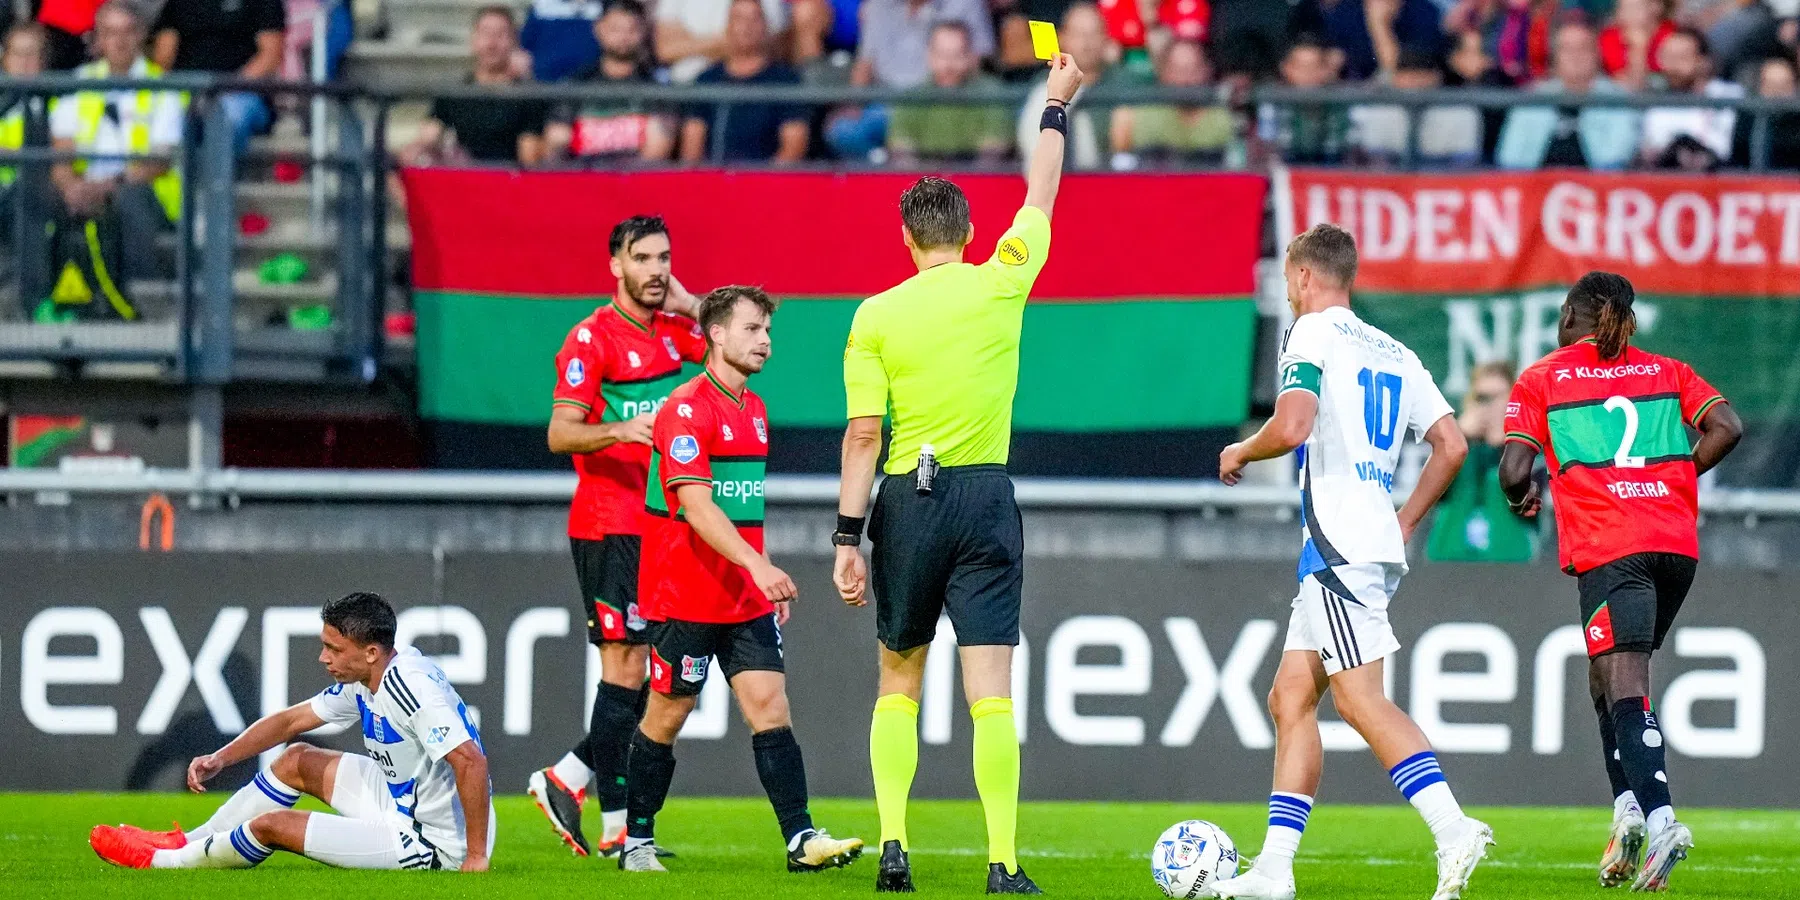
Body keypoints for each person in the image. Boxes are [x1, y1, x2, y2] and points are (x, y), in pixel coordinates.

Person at [832, 49, 1084, 899]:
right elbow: (1042, 189)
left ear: (906, 240)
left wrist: (845, 536)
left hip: (908, 497)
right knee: (991, 693)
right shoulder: (1002, 281)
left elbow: (864, 434)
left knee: (899, 680)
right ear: (970, 235)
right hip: (983, 494)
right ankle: (1003, 861)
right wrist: (1055, 101)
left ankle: (895, 848)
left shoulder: (875, 315)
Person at [1214, 223, 1493, 900]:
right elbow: (1452, 444)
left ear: (1306, 277)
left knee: (1360, 699)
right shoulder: (1395, 350)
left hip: (1340, 544)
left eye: (1287, 279)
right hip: (1361, 539)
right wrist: (1403, 519)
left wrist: (1242, 452)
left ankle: (1453, 827)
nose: (1288, 290)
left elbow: (1293, 426)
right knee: (1289, 697)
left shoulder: (1311, 332)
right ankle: (1274, 872)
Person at [1498, 272, 1742, 893]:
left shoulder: (1544, 377)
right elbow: (1728, 428)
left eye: (1562, 313)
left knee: (1626, 681)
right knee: (1604, 672)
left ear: (1575, 315)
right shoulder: (1669, 371)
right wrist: (1677, 477)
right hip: (1674, 546)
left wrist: (1523, 494)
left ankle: (1660, 820)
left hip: (1612, 547)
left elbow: (1512, 469)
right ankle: (1627, 811)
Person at [620, 285, 865, 875]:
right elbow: (699, 506)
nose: (765, 342)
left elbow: (745, 506)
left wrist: (759, 574)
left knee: (770, 706)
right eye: (754, 329)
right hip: (684, 594)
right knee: (667, 714)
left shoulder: (753, 410)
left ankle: (800, 839)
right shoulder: (685, 408)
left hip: (740, 597)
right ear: (717, 334)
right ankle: (637, 842)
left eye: (768, 331)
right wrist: (758, 566)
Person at [527, 214, 705, 858]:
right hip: (611, 524)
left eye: (665, 257)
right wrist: (621, 430)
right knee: (628, 668)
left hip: (662, 526)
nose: (656, 269)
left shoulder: (672, 332)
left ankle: (568, 778)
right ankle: (619, 827)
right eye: (644, 258)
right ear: (616, 265)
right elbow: (560, 432)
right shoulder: (591, 340)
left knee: (661, 675)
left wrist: (690, 303)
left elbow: (739, 346)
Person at [89, 592, 495, 872]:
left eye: (333, 649)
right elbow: (290, 722)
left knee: (273, 825)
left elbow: (470, 761)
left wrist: (474, 856)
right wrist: (221, 758)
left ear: (370, 652)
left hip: (431, 839)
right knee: (296, 758)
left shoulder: (409, 686)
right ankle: (185, 842)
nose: (323, 657)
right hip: (404, 799)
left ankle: (163, 864)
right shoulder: (372, 674)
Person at [43, 1, 184, 321]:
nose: (119, 41)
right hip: (86, 187)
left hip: (142, 192)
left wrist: (107, 186)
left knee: (127, 202)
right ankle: (40, 303)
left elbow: (159, 161)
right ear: (98, 40)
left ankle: (143, 308)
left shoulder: (164, 86)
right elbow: (61, 153)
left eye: (127, 32)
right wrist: (72, 186)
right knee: (34, 195)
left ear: (141, 37)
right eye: (110, 32)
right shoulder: (78, 81)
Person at [402, 7, 550, 167]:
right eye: (485, 34)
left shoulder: (529, 96)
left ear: (514, 41)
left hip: (511, 181)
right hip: (464, 179)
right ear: (473, 40)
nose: (492, 43)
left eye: (500, 35)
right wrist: (418, 149)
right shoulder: (456, 92)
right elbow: (430, 134)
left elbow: (529, 157)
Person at [1425, 361, 1537, 562]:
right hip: (1450, 562)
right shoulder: (1454, 447)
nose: (1490, 406)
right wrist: (1457, 439)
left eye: (1497, 397)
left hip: (1510, 565)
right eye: (1482, 398)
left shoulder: (1528, 445)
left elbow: (1532, 510)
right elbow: (1430, 494)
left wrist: (1503, 447)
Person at [1496, 21, 1642, 170]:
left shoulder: (1618, 100)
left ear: (1597, 54)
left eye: (1583, 48)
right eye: (1566, 49)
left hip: (1598, 189)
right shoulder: (1531, 100)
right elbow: (1510, 158)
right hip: (1536, 188)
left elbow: (1616, 161)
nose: (1575, 56)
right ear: (1555, 56)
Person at [678, 0, 809, 163]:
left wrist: (762, 183)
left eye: (755, 19)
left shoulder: (786, 81)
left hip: (767, 182)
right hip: (714, 181)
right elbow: (692, 148)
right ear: (728, 27)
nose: (747, 27)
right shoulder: (707, 80)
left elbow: (793, 146)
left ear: (765, 27)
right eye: (739, 19)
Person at [547, 0, 676, 164]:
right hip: (581, 181)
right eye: (615, 29)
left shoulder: (657, 90)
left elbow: (656, 153)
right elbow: (556, 145)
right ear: (598, 29)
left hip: (635, 183)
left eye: (632, 30)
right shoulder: (575, 85)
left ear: (644, 31)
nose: (624, 37)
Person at [152, 0, 284, 158]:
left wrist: (225, 89)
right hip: (188, 90)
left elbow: (271, 56)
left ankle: (216, 182)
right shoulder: (178, 3)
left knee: (227, 116)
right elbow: (163, 59)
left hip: (241, 92)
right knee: (165, 115)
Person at [886, 22, 1014, 166]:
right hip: (923, 179)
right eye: (942, 55)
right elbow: (901, 150)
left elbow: (993, 152)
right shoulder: (911, 97)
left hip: (976, 179)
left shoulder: (992, 93)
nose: (948, 65)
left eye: (957, 55)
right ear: (930, 56)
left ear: (970, 56)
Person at [1109, 39, 1237, 169]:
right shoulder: (1139, 115)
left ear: (1206, 71)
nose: (1186, 80)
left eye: (1193, 69)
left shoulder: (1225, 117)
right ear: (1163, 72)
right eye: (1178, 70)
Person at [1349, 46, 1483, 167]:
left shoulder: (1461, 113)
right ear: (1395, 78)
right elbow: (1374, 163)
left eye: (1422, 75)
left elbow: (1463, 167)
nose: (1415, 83)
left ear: (1438, 77)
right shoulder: (1378, 111)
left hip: (1442, 182)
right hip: (1391, 181)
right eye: (1407, 75)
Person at [1016, 2, 1111, 172]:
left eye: (1093, 34)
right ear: (1063, 37)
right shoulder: (1044, 83)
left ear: (1106, 38)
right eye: (1078, 34)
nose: (1086, 43)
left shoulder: (1122, 83)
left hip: (1109, 183)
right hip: (1054, 183)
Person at [1639, 27, 1743, 170]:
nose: (1672, 66)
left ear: (1703, 62)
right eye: (1667, 57)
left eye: (1682, 57)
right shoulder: (1654, 103)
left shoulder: (1730, 96)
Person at [1254, 35, 1351, 165]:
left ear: (1327, 69)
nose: (1308, 74)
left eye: (1315, 66)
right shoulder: (1273, 104)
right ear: (1286, 68)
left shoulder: (1343, 105)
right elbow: (1268, 150)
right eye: (1301, 67)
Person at [656, 0, 789, 83]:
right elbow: (666, 49)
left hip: (753, 84)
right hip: (686, 89)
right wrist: (726, 42)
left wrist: (691, 42)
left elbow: (773, 46)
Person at [1730, 54, 1800, 169]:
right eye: (1771, 85)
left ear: (1794, 87)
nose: (1777, 93)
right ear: (1760, 87)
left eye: (1784, 85)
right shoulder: (1746, 120)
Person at [519, 0, 604, 82]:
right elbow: (525, 46)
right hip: (545, 83)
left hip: (593, 83)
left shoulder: (603, 7)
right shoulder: (541, 7)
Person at [1599, 0, 1676, 90]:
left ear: (1656, 7)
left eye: (1633, 7)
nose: (1626, 14)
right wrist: (1638, 48)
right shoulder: (1610, 37)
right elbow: (1631, 86)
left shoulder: (1672, 34)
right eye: (1622, 8)